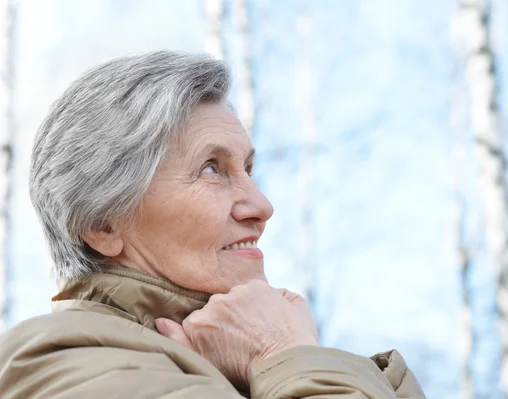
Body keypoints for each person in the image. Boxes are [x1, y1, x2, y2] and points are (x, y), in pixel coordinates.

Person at [0, 51, 425, 398]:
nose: (262, 206)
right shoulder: (61, 362)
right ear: (103, 224)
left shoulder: (250, 366)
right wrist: (284, 350)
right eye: (211, 169)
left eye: (248, 169)